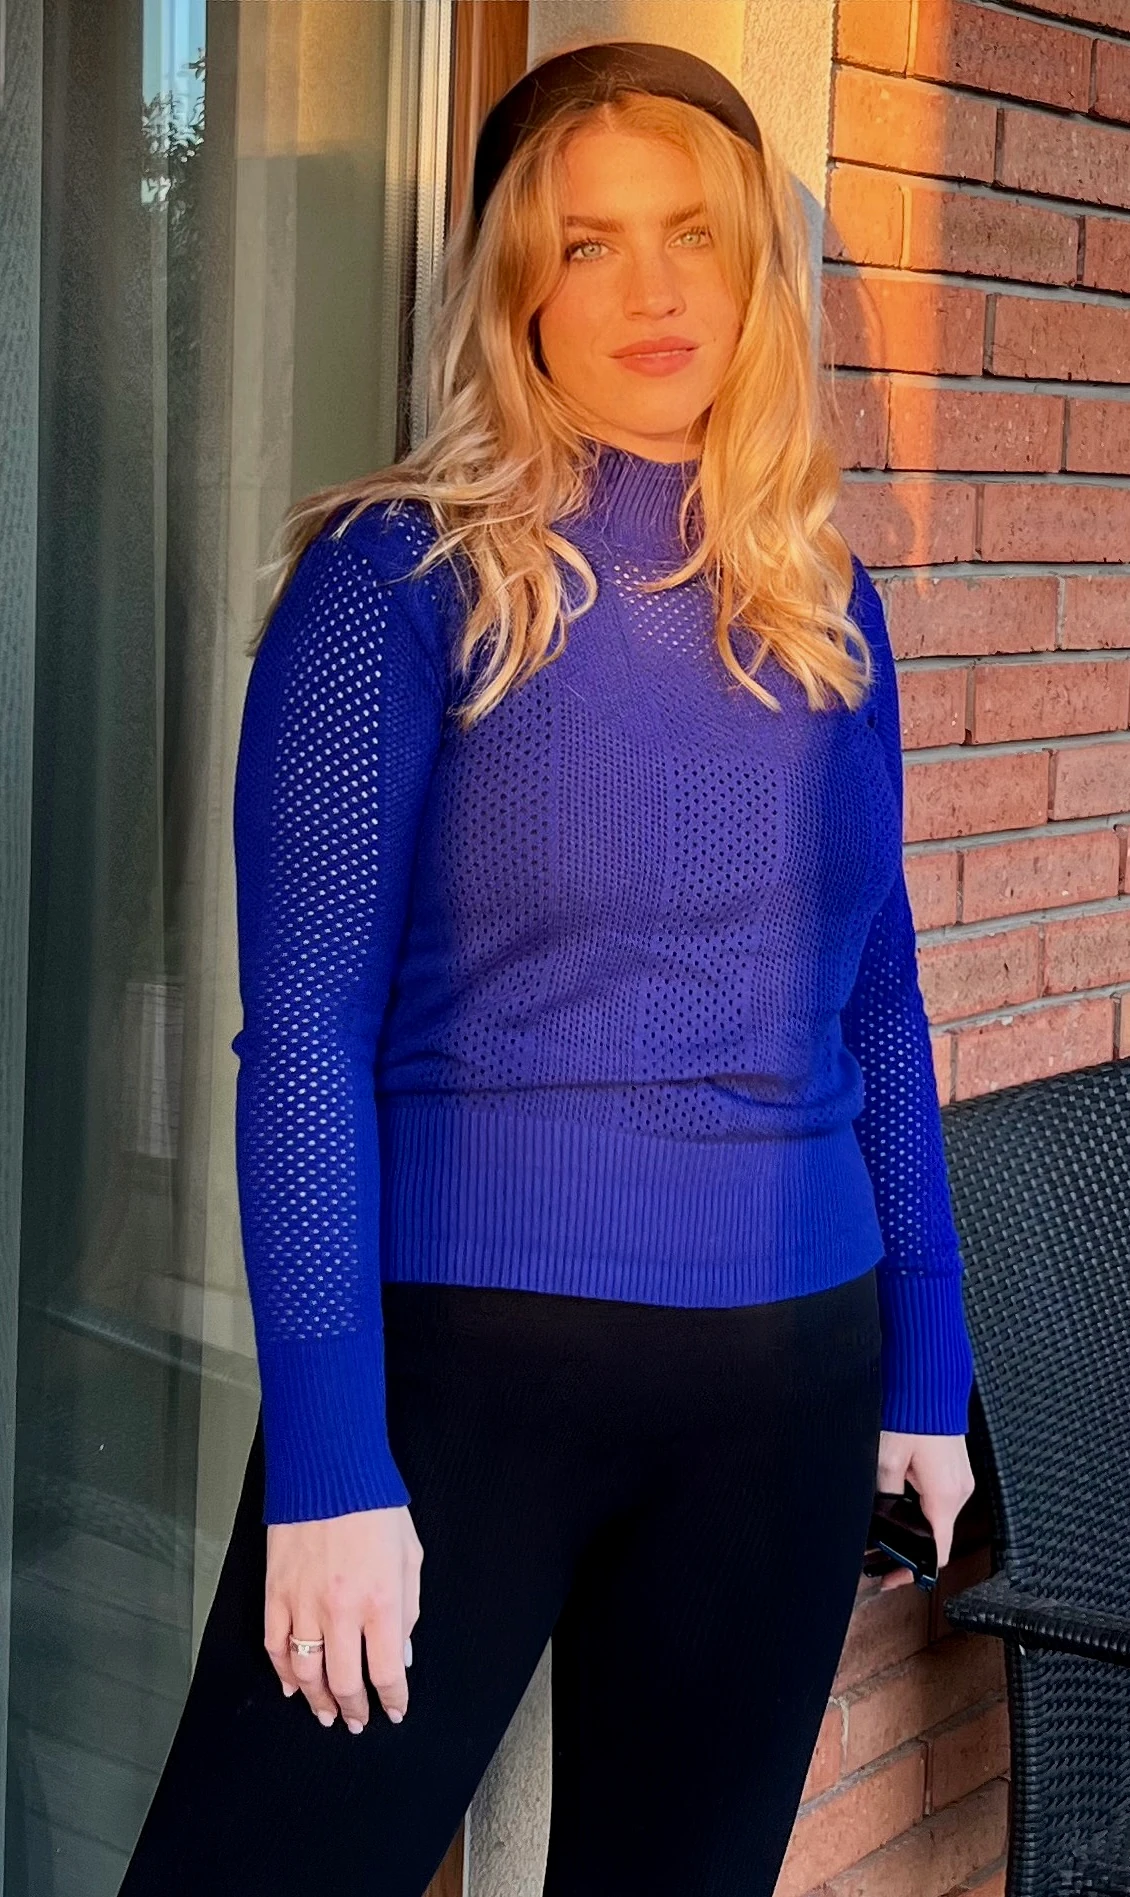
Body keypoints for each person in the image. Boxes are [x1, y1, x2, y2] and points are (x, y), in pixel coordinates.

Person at [118, 39, 977, 1897]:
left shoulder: (825, 598)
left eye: (692, 234)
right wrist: (331, 1460)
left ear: (754, 270)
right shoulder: (397, 575)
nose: (651, 290)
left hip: (789, 1380)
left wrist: (928, 1356)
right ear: (516, 288)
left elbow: (877, 1000)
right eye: (586, 244)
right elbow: (305, 1035)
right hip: (461, 1381)